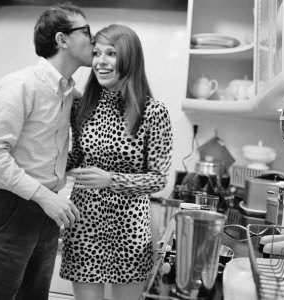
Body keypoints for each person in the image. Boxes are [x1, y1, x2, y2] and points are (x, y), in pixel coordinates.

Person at [0, 4, 93, 300]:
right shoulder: (21, 86)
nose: (93, 39)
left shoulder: (68, 92)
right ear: (62, 40)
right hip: (11, 209)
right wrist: (44, 196)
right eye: (86, 31)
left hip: (46, 213)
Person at [60, 24, 174, 300]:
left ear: (129, 58)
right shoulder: (81, 106)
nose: (101, 61)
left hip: (130, 230)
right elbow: (75, 159)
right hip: (83, 223)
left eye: (111, 53)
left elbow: (159, 178)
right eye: (97, 53)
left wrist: (112, 179)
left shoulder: (153, 113)